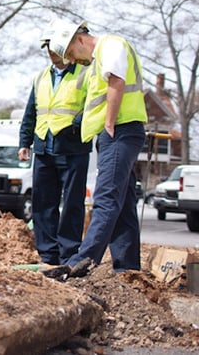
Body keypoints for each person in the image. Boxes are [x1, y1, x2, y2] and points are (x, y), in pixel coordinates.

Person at [48, 20, 148, 274]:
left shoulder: (111, 45)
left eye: (71, 53)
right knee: (122, 201)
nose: (72, 59)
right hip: (114, 133)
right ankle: (127, 269)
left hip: (120, 130)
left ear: (79, 39)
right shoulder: (95, 60)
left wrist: (110, 123)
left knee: (105, 198)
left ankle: (83, 262)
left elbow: (116, 80)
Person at [18, 21, 91, 266]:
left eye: (54, 46)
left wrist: (77, 126)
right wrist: (24, 141)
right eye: (47, 47)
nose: (50, 51)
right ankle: (48, 254)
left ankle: (68, 254)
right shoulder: (40, 78)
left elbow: (93, 105)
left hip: (73, 148)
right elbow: (31, 111)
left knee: (72, 203)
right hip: (43, 148)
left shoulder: (84, 73)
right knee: (43, 203)